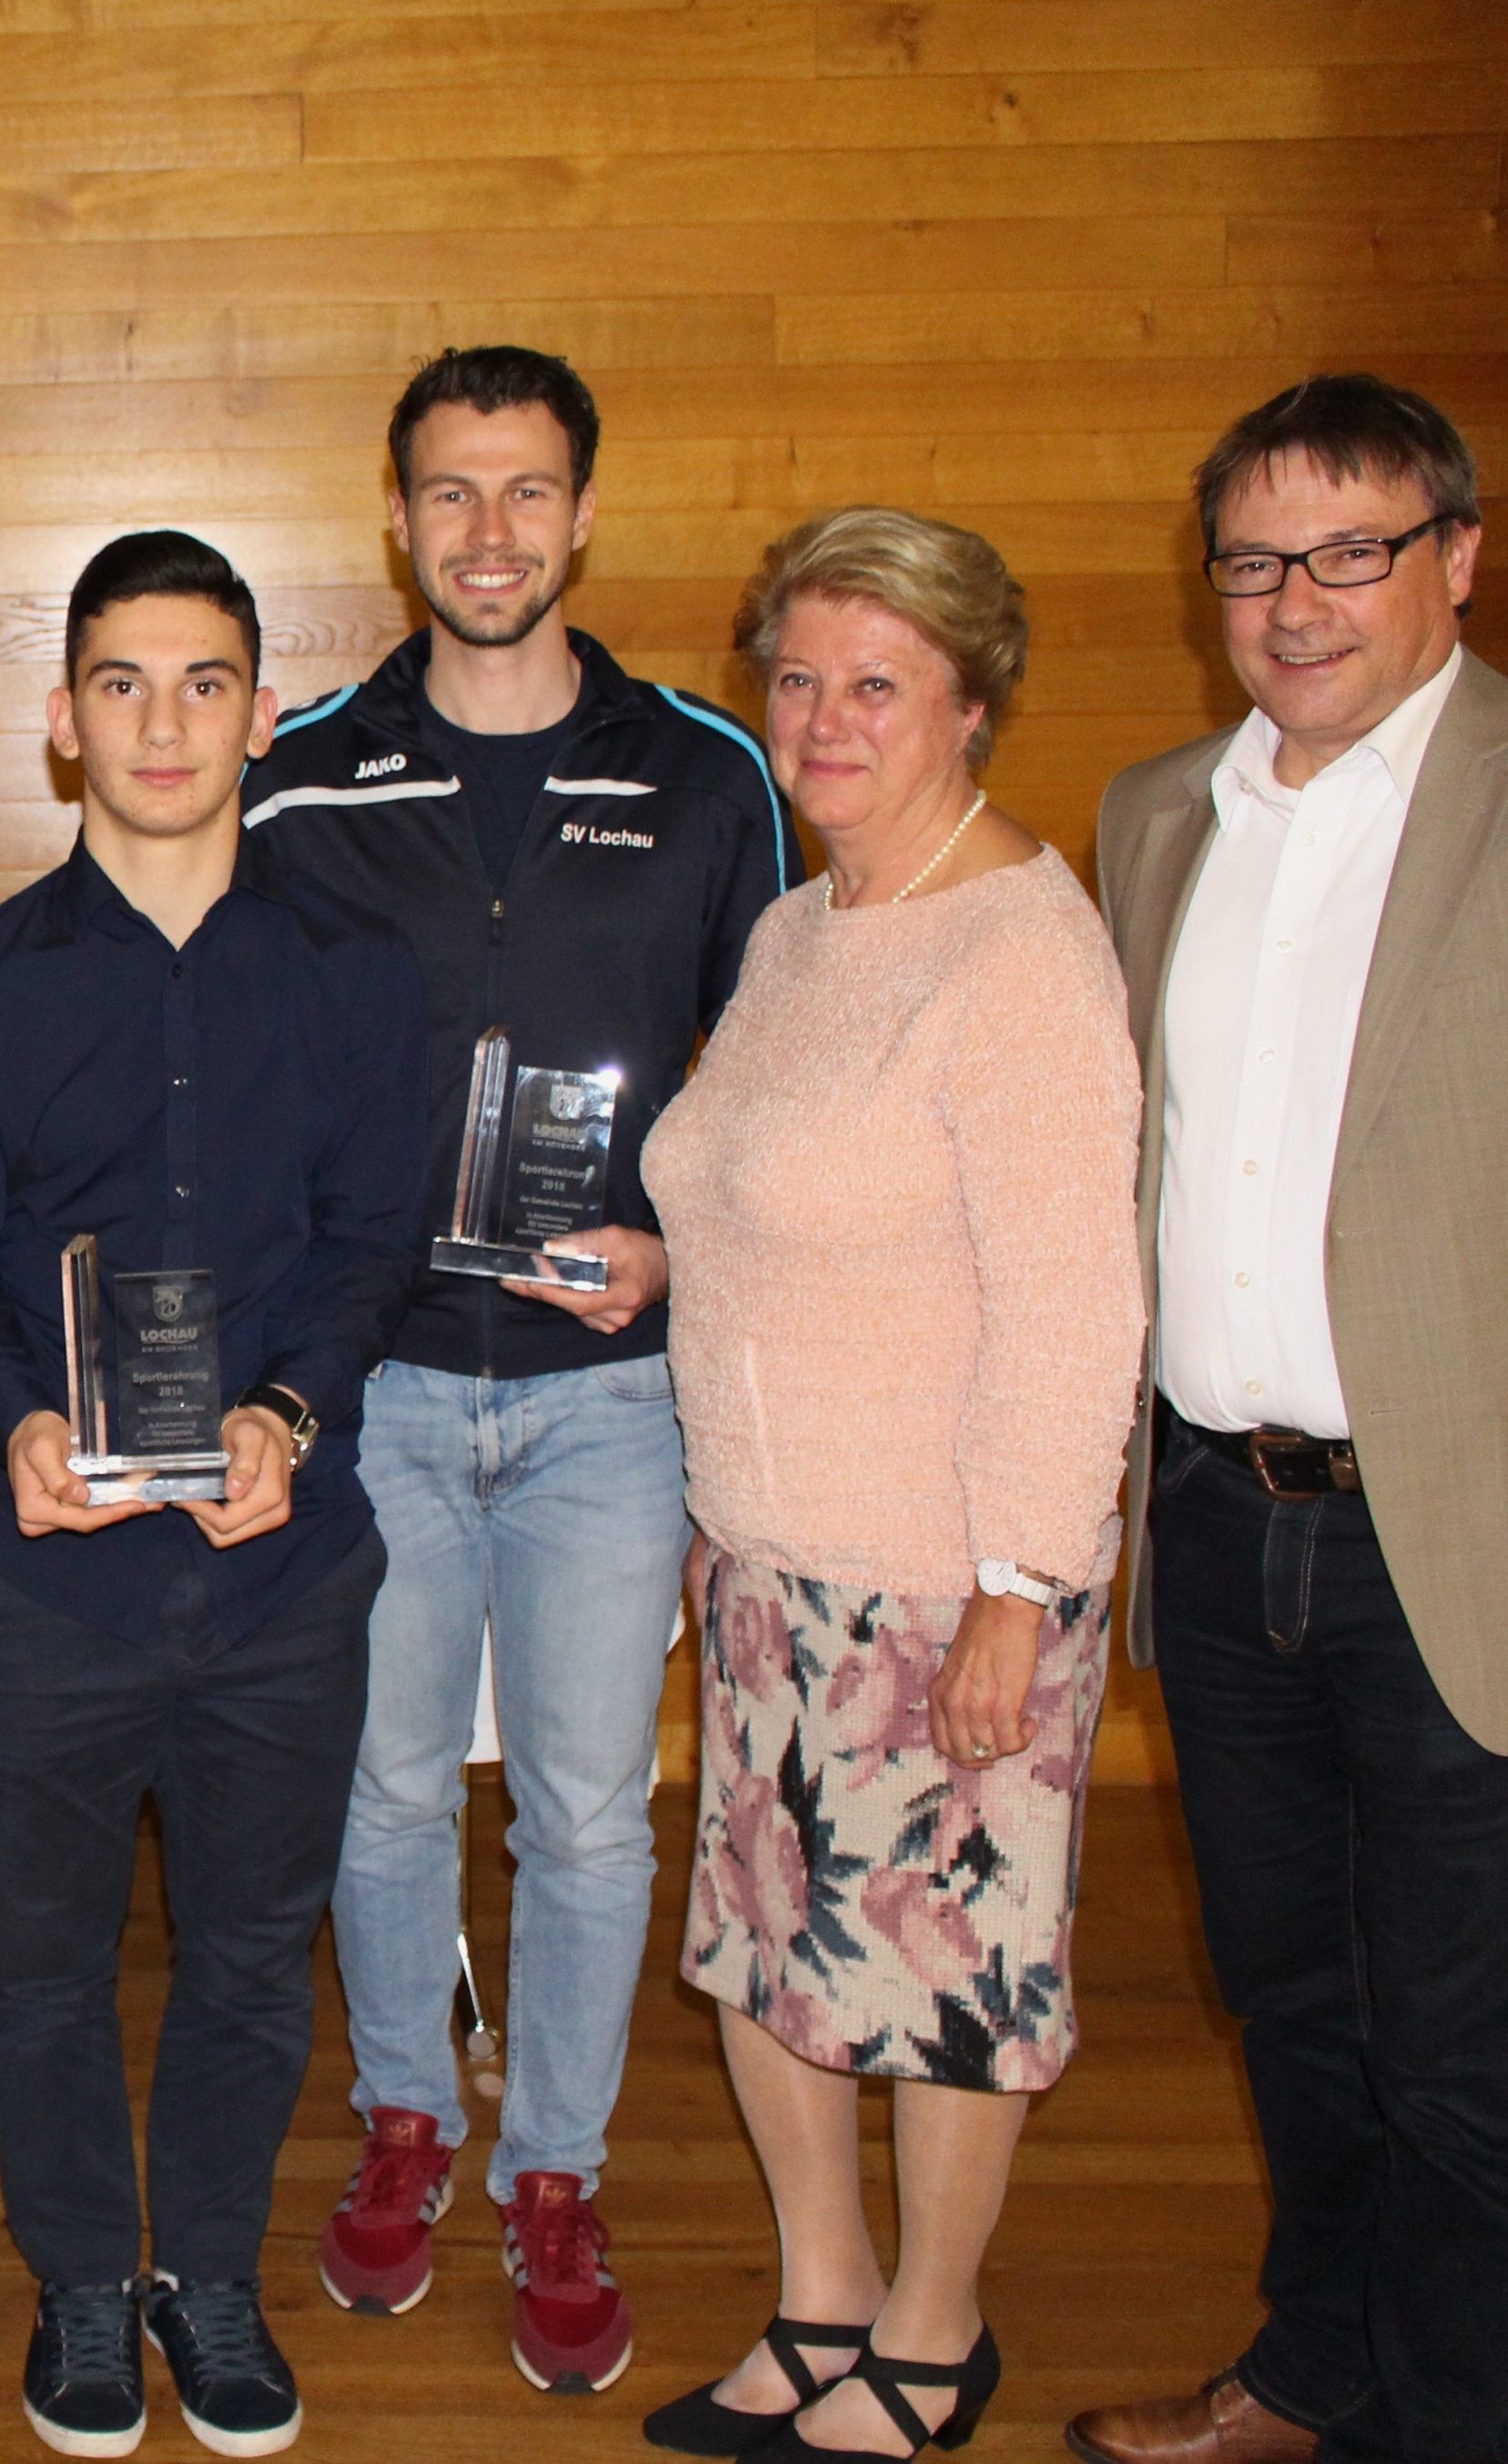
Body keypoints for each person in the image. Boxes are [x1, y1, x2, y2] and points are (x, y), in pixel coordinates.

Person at [237, 343, 796, 2394]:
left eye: (527, 492)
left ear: (582, 510)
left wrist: (682, 1243)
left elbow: (782, 1085)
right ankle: (407, 2120)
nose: (490, 533)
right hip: (372, 1393)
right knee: (380, 1789)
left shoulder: (706, 771)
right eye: (450, 495)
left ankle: (552, 2167)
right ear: (397, 518)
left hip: (609, 1397)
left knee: (581, 1812)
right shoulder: (296, 771)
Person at [0, 530, 425, 2459]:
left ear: (263, 714)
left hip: (287, 1575)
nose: (163, 721)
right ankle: (83, 2290)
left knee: (246, 1962)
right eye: (120, 681)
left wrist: (288, 1403)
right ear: (60, 721)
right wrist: (19, 1425)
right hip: (46, 1585)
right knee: (35, 1968)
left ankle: (207, 2272)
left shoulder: (359, 975)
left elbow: (373, 1238)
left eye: (204, 681)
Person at [638, 506, 1144, 2460]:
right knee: (770, 1951)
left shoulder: (1016, 949)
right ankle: (821, 2301)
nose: (824, 718)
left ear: (970, 703)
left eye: (876, 683)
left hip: (949, 1584)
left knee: (939, 1978)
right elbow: (776, 1214)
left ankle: (932, 2338)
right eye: (796, 677)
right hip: (768, 1554)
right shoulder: (793, 926)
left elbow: (1070, 1306)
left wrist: (1022, 1582)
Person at [1066, 377, 1507, 2464]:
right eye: (1254, 557)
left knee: (1465, 2051)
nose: (1297, 599)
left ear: (1456, 559)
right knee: (1300, 2012)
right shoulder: (1158, 815)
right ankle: (1313, 2373)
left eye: (1351, 548)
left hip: (1461, 1537)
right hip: (1226, 1529)